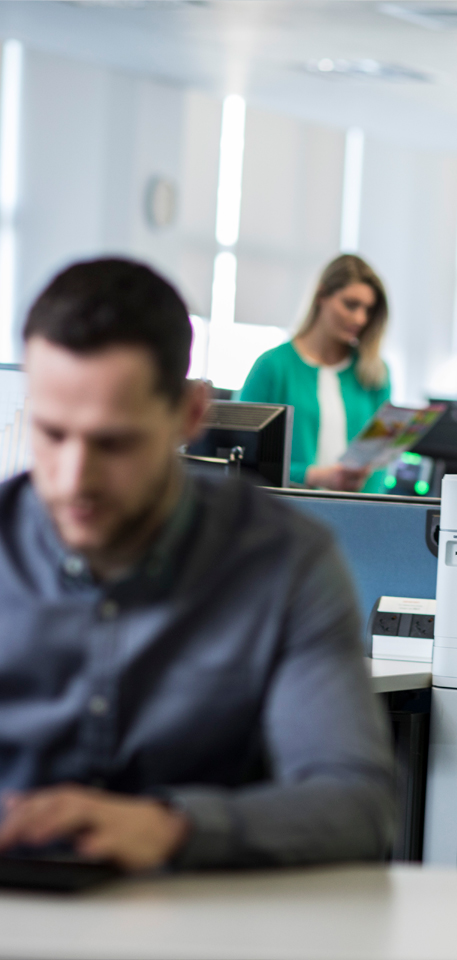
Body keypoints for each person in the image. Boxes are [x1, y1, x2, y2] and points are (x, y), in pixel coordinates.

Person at [0, 258, 395, 871]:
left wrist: (172, 827)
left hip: (195, 922)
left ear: (189, 416)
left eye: (114, 442)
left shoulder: (283, 563)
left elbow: (357, 805)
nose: (75, 480)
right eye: (52, 435)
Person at [240, 254, 390, 490]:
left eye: (368, 310)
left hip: (361, 514)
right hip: (288, 513)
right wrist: (313, 477)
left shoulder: (374, 372)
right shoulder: (272, 366)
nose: (360, 318)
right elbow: (243, 457)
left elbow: (379, 464)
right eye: (351, 305)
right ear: (321, 295)